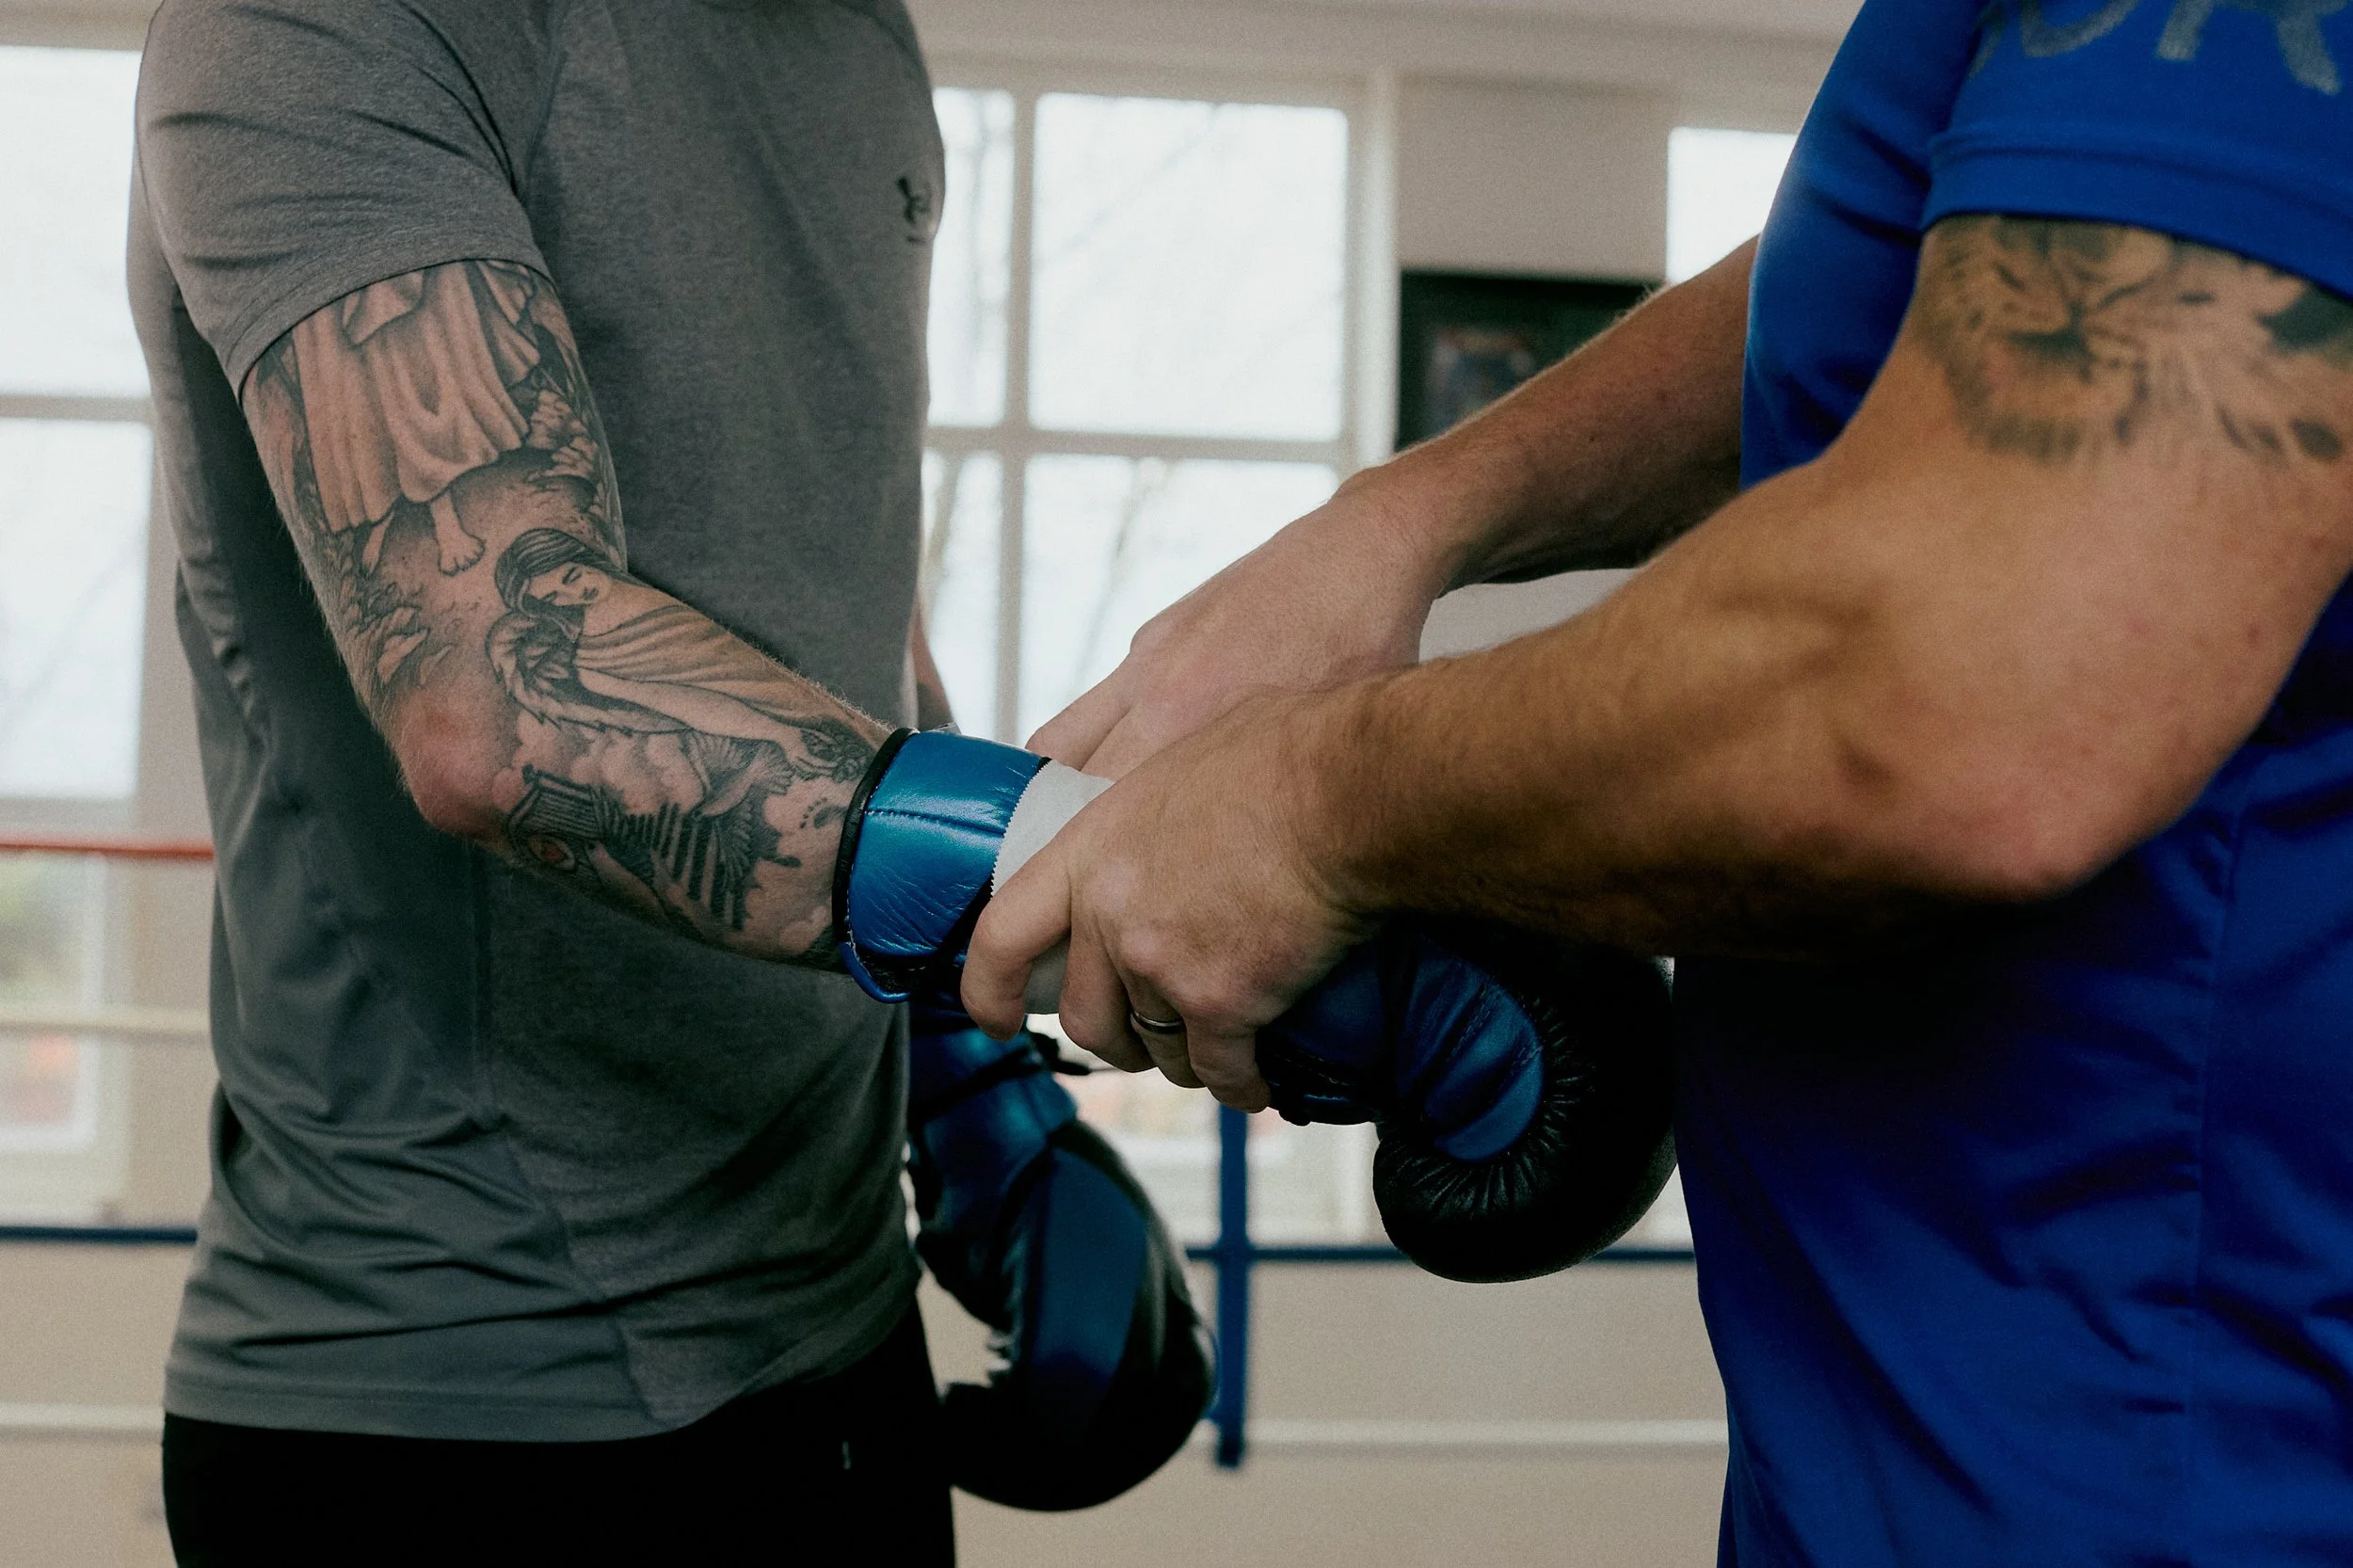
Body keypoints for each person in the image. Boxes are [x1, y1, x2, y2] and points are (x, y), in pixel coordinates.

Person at [964, 1, 2353, 1560]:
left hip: (2171, 1462)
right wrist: (1405, 520)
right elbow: (1930, 270)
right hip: (1903, 1447)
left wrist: (1304, 805)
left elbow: (1963, 691)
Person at [129, 0, 967, 1560]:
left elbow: (839, 603)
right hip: (465, 1386)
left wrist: (970, 1076)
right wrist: (1088, 872)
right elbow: (505, 689)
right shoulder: (323, 19)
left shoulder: (856, 28)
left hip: (848, 1312)